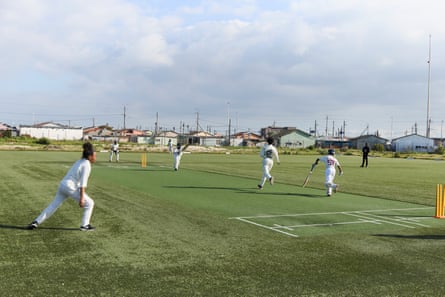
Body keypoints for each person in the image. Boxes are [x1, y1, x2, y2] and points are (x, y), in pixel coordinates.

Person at [27, 142, 97, 231]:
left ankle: (36, 222)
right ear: (90, 156)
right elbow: (83, 183)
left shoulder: (80, 161)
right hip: (70, 187)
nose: (95, 158)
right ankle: (84, 225)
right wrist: (82, 198)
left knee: (53, 206)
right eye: (95, 155)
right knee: (90, 203)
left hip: (63, 185)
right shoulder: (86, 164)